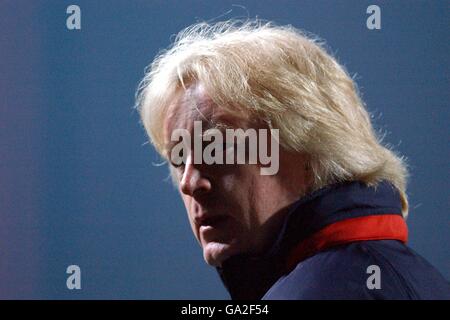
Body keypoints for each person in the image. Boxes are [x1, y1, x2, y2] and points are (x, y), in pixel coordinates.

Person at [136, 20, 450, 299]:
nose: (190, 182)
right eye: (178, 157)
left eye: (217, 149)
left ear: (312, 145)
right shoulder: (410, 276)